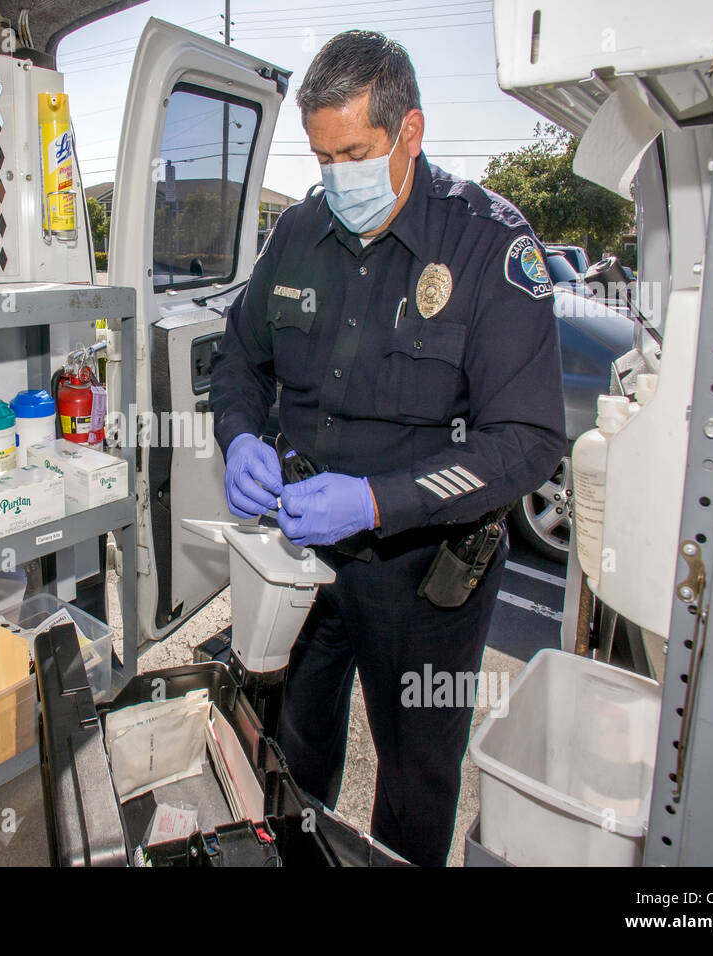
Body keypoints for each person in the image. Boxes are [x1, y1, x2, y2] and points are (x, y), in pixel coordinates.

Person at [209, 30, 566, 866]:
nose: (337, 178)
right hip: (302, 558)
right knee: (293, 747)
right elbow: (238, 362)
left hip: (424, 578)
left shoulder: (487, 247)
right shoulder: (297, 235)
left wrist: (378, 501)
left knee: (414, 784)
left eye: (355, 153)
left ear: (410, 133)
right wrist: (236, 440)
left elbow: (527, 442)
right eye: (322, 157)